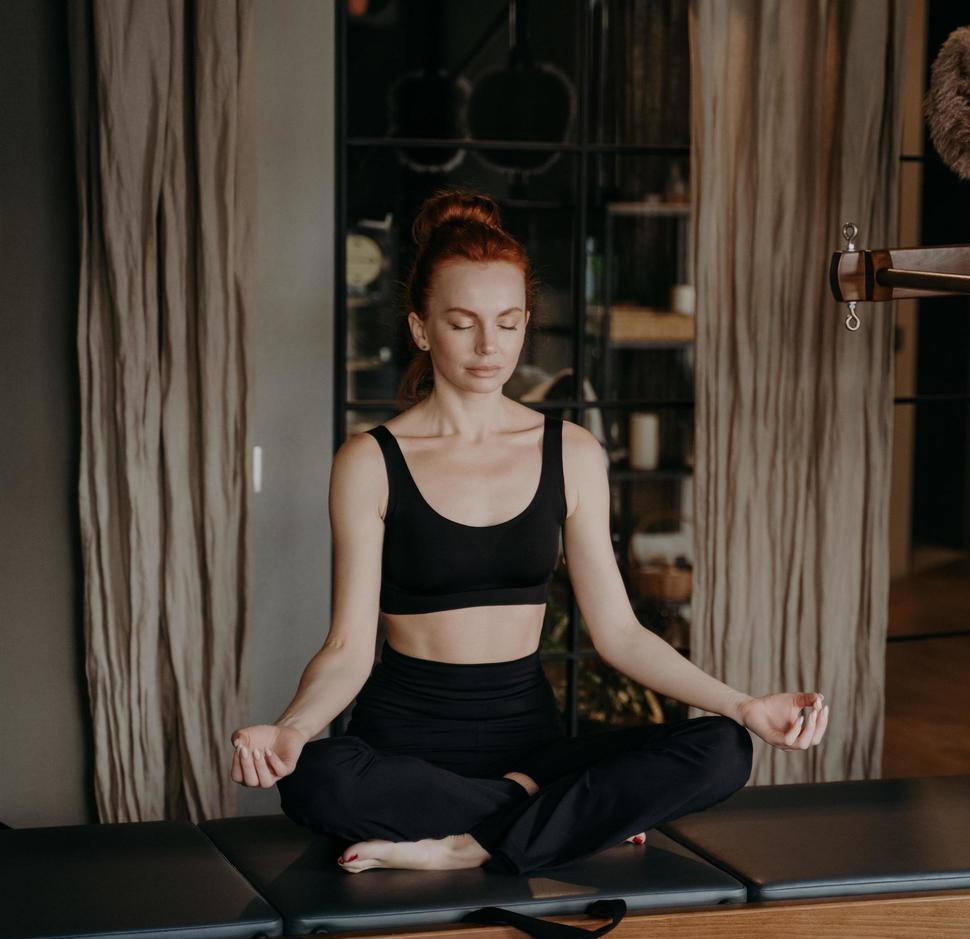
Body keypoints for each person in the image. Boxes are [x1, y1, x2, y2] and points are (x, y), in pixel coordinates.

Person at [227, 188, 830, 875]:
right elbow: (346, 648)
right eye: (463, 323)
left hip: (532, 743)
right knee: (315, 778)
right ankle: (542, 819)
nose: (490, 346)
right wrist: (294, 730)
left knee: (725, 749)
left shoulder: (570, 452)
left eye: (509, 323)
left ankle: (468, 844)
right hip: (406, 750)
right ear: (421, 328)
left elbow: (620, 634)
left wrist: (746, 705)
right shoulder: (370, 462)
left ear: (525, 325)